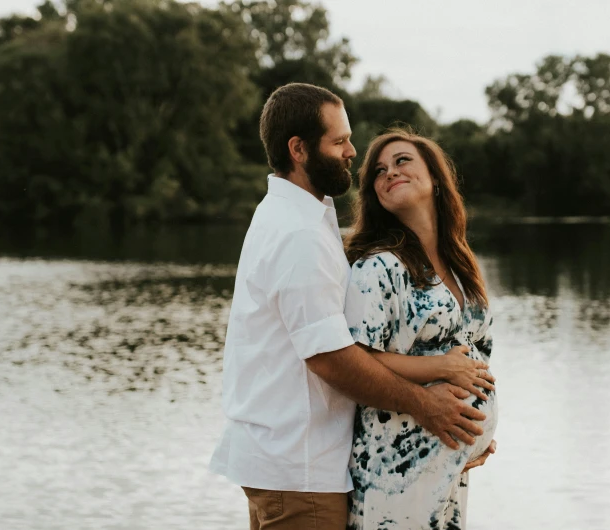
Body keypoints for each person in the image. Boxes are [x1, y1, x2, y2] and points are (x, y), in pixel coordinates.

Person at [209, 83, 494, 530]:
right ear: (299, 149)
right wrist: (429, 407)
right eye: (339, 140)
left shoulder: (304, 220)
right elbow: (333, 359)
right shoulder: (299, 234)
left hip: (302, 466)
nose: (351, 151)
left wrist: (468, 432)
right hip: (301, 469)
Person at [343, 129, 499, 529]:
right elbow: (357, 359)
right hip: (396, 464)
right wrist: (442, 369)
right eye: (378, 171)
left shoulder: (461, 264)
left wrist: (479, 434)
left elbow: (478, 356)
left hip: (450, 460)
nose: (389, 172)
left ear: (435, 176)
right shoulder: (377, 268)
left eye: (401, 161)